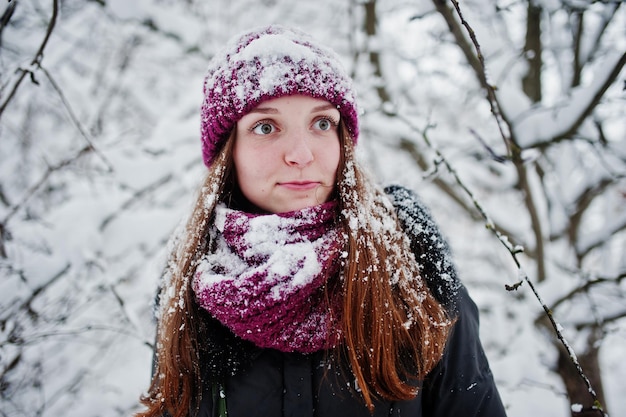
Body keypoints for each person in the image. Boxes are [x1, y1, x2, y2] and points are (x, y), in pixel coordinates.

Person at [136, 25, 506, 417]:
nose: (301, 154)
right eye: (266, 127)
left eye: (322, 124)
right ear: (230, 150)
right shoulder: (191, 281)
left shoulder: (415, 269)